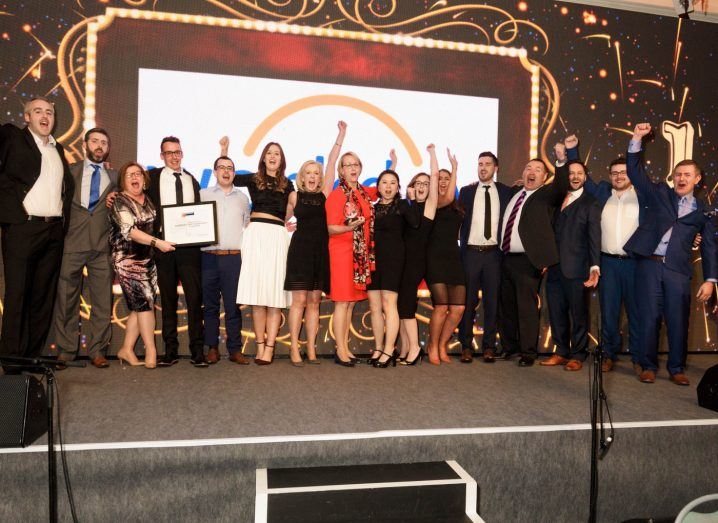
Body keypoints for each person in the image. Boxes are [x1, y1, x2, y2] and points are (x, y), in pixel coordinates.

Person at [623, 123, 717, 386]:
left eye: (687, 174)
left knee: (678, 320)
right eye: (678, 174)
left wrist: (711, 280)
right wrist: (636, 139)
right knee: (649, 317)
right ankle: (648, 365)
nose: (681, 178)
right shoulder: (659, 193)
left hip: (677, 270)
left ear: (697, 179)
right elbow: (635, 172)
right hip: (650, 266)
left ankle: (676, 368)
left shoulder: (705, 211)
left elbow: (709, 246)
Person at [0, 97, 74, 372]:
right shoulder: (12, 137)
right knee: (18, 294)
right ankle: (11, 360)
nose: (45, 116)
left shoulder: (58, 148)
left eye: (50, 113)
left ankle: (32, 356)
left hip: (52, 229)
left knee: (42, 296)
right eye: (38, 111)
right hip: (23, 227)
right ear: (27, 117)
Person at [564, 140, 644, 374]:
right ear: (609, 175)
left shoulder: (642, 196)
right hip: (607, 263)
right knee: (608, 312)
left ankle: (639, 359)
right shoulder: (601, 192)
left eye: (623, 172)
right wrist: (572, 151)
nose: (619, 176)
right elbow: (580, 176)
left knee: (635, 312)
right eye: (615, 172)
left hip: (633, 264)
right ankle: (608, 354)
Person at [53, 128, 117, 369]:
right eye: (95, 141)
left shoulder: (115, 177)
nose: (99, 146)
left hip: (102, 247)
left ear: (108, 148)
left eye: (104, 142)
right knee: (67, 300)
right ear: (85, 144)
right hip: (72, 243)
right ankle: (66, 350)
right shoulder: (69, 172)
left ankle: (98, 350)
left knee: (102, 302)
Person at [498, 156, 570, 367]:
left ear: (544, 177)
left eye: (537, 169)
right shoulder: (514, 193)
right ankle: (509, 347)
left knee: (527, 307)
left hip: (527, 260)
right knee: (507, 306)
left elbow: (561, 186)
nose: (531, 171)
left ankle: (528, 352)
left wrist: (561, 161)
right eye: (528, 167)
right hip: (505, 258)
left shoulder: (546, 195)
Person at [284, 122, 344, 366]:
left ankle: (311, 349)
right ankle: (294, 349)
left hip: (320, 253)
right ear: (302, 176)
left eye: (316, 173)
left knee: (315, 302)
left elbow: (332, 162)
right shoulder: (294, 196)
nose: (313, 176)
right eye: (308, 172)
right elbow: (281, 219)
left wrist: (340, 135)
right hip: (299, 252)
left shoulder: (325, 194)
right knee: (299, 301)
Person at [146, 136, 207, 367]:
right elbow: (131, 190)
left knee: (194, 299)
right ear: (162, 156)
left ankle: (197, 351)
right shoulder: (151, 178)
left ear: (182, 154)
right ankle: (170, 351)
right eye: (169, 152)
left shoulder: (192, 180)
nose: (174, 156)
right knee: (168, 300)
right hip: (163, 247)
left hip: (190, 248)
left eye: (177, 152)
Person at [233, 141, 295, 365]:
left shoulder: (288, 184)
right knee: (258, 298)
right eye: (269, 152)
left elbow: (293, 209)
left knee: (274, 296)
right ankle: (259, 346)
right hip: (255, 234)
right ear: (263, 157)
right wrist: (223, 151)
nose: (272, 156)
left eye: (277, 153)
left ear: (282, 159)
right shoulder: (252, 178)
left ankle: (270, 348)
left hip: (277, 237)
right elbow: (227, 176)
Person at [540, 146, 601, 371]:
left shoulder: (591, 203)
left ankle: (578, 354)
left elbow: (595, 238)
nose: (574, 177)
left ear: (585, 177)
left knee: (578, 314)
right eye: (571, 173)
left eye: (579, 174)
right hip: (554, 268)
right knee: (556, 311)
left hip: (576, 268)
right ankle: (561, 352)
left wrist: (594, 266)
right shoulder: (557, 199)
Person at [109, 162, 175, 368]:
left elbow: (156, 225)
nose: (134, 177)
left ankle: (126, 349)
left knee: (140, 306)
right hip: (128, 260)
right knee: (145, 306)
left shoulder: (148, 200)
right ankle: (151, 351)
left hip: (148, 259)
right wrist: (158, 243)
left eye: (137, 173)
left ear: (144, 179)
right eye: (129, 175)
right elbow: (130, 231)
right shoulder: (119, 201)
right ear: (123, 181)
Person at [457, 152, 513, 363]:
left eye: (487, 164)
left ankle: (489, 346)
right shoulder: (466, 191)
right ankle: (465, 346)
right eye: (480, 164)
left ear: (495, 168)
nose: (483, 168)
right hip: (471, 253)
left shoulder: (506, 192)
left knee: (492, 302)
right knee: (468, 301)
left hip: (494, 254)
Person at [200, 152, 251, 365]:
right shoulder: (202, 194)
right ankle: (212, 347)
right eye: (222, 167)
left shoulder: (243, 198)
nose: (226, 171)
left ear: (234, 173)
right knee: (210, 306)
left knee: (232, 306)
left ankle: (235, 349)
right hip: (208, 257)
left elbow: (248, 225)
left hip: (233, 259)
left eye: (230, 168)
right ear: (215, 172)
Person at [367, 169, 421, 367]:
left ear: (398, 187)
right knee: (374, 306)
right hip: (372, 260)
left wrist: (413, 199)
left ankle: (390, 349)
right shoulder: (371, 207)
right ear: (378, 186)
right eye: (384, 182)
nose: (388, 186)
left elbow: (415, 223)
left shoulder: (402, 205)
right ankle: (379, 347)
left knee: (389, 304)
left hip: (393, 259)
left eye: (393, 183)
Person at [397, 147, 439, 366]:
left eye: (425, 183)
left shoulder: (430, 205)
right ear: (411, 187)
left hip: (417, 261)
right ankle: (405, 348)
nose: (422, 186)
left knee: (405, 305)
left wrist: (432, 154)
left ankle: (414, 348)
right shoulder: (407, 207)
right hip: (402, 261)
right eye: (418, 183)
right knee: (402, 305)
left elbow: (434, 176)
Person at [425, 150, 466, 365]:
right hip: (434, 258)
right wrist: (454, 168)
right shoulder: (432, 202)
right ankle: (432, 345)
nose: (442, 181)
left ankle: (442, 344)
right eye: (439, 178)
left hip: (453, 258)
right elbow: (447, 196)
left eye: (446, 178)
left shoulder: (458, 207)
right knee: (441, 306)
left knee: (458, 308)